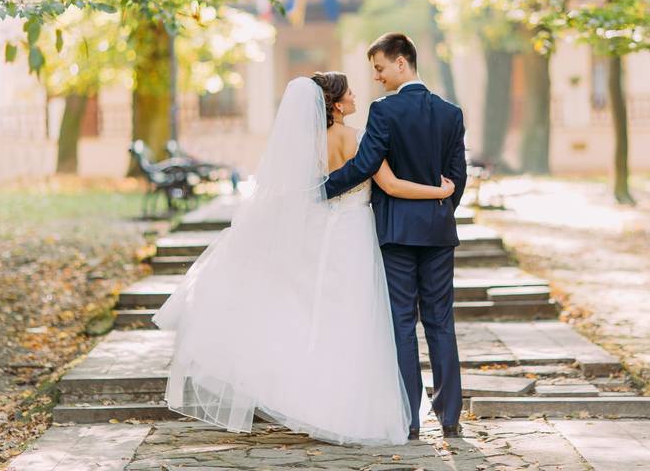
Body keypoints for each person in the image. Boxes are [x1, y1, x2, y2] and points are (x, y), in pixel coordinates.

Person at [152, 71, 456, 446]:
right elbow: (390, 185)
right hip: (355, 232)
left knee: (323, 318)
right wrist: (438, 191)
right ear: (338, 104)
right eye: (350, 91)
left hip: (326, 230)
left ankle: (315, 399)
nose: (357, 94)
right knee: (358, 320)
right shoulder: (354, 137)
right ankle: (351, 405)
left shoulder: (309, 142)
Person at [324, 32, 468, 440]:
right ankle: (450, 415)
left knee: (402, 323)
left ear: (401, 63)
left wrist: (319, 191)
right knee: (441, 321)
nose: (377, 78)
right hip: (439, 232)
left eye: (380, 68)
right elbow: (458, 177)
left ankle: (409, 418)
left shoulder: (384, 111)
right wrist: (440, 213)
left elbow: (365, 164)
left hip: (396, 235)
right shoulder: (450, 113)